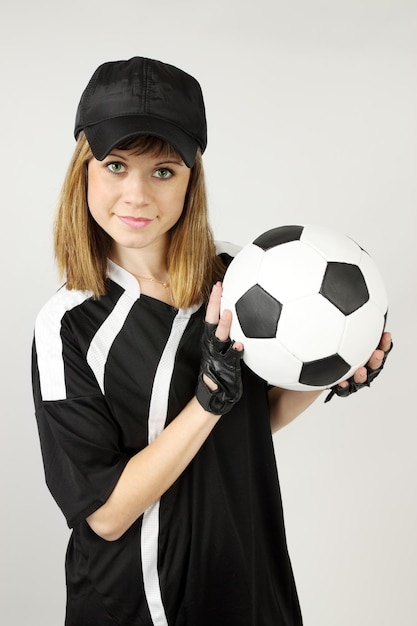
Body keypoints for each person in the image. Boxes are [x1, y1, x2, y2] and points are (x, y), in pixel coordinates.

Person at [31, 56, 392, 626]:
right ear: (84, 171)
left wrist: (327, 370)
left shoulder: (245, 279)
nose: (137, 194)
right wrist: (205, 401)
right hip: (142, 603)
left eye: (164, 171)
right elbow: (104, 514)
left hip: (250, 582)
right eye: (117, 165)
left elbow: (250, 419)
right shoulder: (68, 324)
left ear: (192, 179)